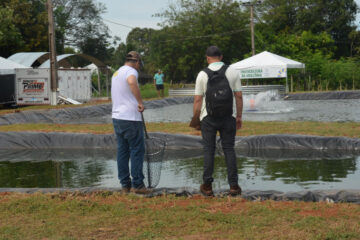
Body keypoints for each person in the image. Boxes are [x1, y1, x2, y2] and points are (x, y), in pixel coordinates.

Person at [191, 46, 243, 196]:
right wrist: (238, 116)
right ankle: (234, 186)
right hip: (228, 117)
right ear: (221, 57)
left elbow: (197, 99)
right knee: (229, 149)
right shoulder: (232, 71)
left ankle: (207, 186)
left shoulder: (202, 74)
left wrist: (196, 119)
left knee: (209, 150)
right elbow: (238, 96)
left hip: (208, 118)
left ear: (207, 58)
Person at [111, 51, 150, 194]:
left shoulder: (116, 73)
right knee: (136, 150)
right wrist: (140, 102)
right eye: (140, 65)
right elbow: (132, 82)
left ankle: (125, 185)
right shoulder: (131, 71)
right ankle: (138, 185)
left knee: (122, 150)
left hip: (117, 117)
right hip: (130, 118)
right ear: (137, 63)